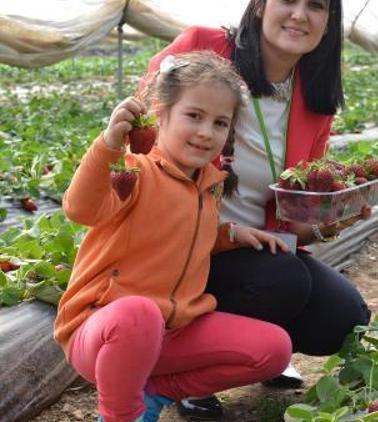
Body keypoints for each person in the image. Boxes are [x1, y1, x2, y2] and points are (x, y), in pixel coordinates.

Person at [143, 0, 372, 418]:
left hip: (259, 248)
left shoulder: (312, 94)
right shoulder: (204, 48)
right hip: (182, 248)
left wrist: (328, 220)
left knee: (343, 316)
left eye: (317, 6)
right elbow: (139, 135)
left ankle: (257, 347)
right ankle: (181, 370)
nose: (300, 15)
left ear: (329, 22)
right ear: (262, 4)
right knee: (282, 281)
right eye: (288, 0)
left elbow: (292, 213)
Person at [54, 51, 294, 422]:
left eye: (220, 123)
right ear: (160, 113)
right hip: (103, 331)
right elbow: (81, 209)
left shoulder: (208, 186)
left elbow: (185, 235)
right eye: (194, 116)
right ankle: (122, 415)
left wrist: (231, 234)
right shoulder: (135, 171)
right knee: (139, 313)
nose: (205, 132)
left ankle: (158, 391)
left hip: (173, 332)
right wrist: (107, 146)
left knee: (274, 348)